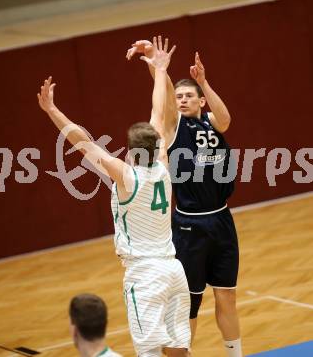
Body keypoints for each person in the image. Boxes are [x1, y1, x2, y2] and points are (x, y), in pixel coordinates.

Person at [37, 36, 191, 357]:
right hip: (174, 269)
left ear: (132, 150)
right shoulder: (163, 164)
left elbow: (82, 140)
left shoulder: (125, 176)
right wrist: (160, 69)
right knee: (179, 352)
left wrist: (52, 109)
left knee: (148, 353)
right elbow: (158, 114)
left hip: (145, 275)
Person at [127, 39, 242, 357]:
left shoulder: (211, 122)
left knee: (227, 296)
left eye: (189, 95)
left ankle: (235, 354)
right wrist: (155, 63)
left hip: (222, 218)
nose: (182, 100)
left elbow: (226, 119)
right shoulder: (174, 127)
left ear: (201, 100)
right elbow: (161, 101)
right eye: (178, 96)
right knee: (190, 301)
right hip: (190, 225)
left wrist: (203, 81)